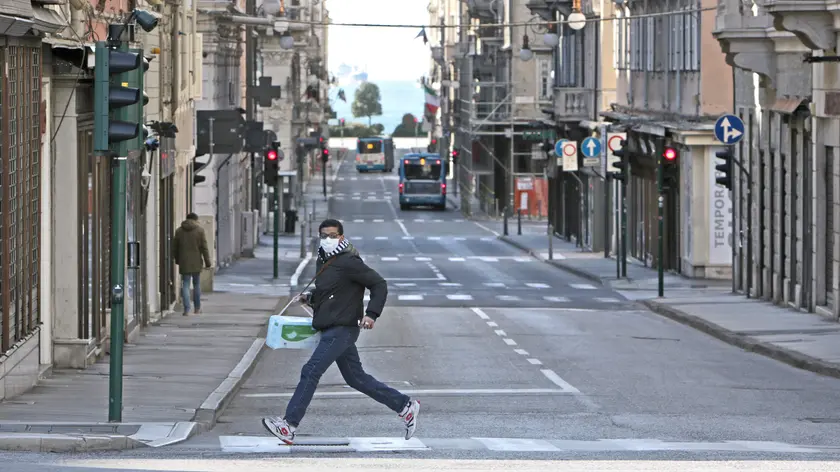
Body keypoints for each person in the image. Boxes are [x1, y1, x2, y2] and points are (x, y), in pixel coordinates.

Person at [262, 218, 420, 444]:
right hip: (331, 327)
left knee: (311, 370)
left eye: (333, 235)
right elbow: (331, 292)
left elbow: (379, 284)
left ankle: (289, 425)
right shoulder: (324, 260)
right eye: (324, 235)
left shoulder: (349, 261)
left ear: (342, 237)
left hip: (343, 329)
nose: (328, 239)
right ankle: (405, 406)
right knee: (357, 378)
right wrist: (310, 297)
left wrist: (371, 314)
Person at [172, 213, 212, 315]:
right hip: (196, 262)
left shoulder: (179, 231)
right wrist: (208, 262)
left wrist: (177, 259)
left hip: (184, 261)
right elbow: (204, 248)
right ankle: (197, 308)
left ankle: (186, 309)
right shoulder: (200, 231)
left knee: (185, 284)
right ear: (195, 220)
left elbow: (174, 248)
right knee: (196, 284)